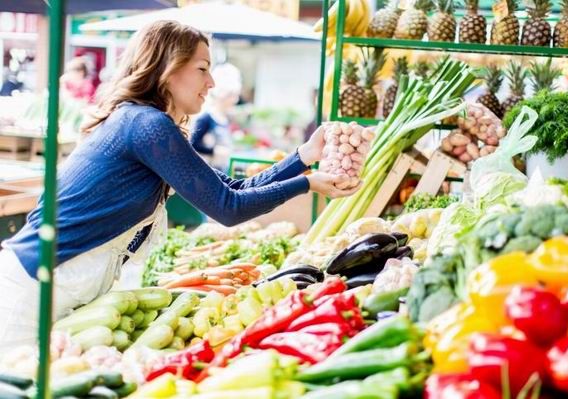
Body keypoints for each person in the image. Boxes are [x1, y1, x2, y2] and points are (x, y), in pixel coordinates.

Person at [0, 20, 360, 349]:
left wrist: (303, 155)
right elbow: (228, 209)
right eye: (203, 69)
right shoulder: (147, 126)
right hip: (31, 294)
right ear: (168, 70)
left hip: (56, 290)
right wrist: (306, 183)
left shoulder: (146, 124)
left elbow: (232, 189)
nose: (212, 82)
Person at [191, 63, 242, 171]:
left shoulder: (225, 118)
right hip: (209, 172)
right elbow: (193, 143)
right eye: (231, 95)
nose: (235, 100)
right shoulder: (206, 118)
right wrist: (213, 150)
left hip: (223, 170)